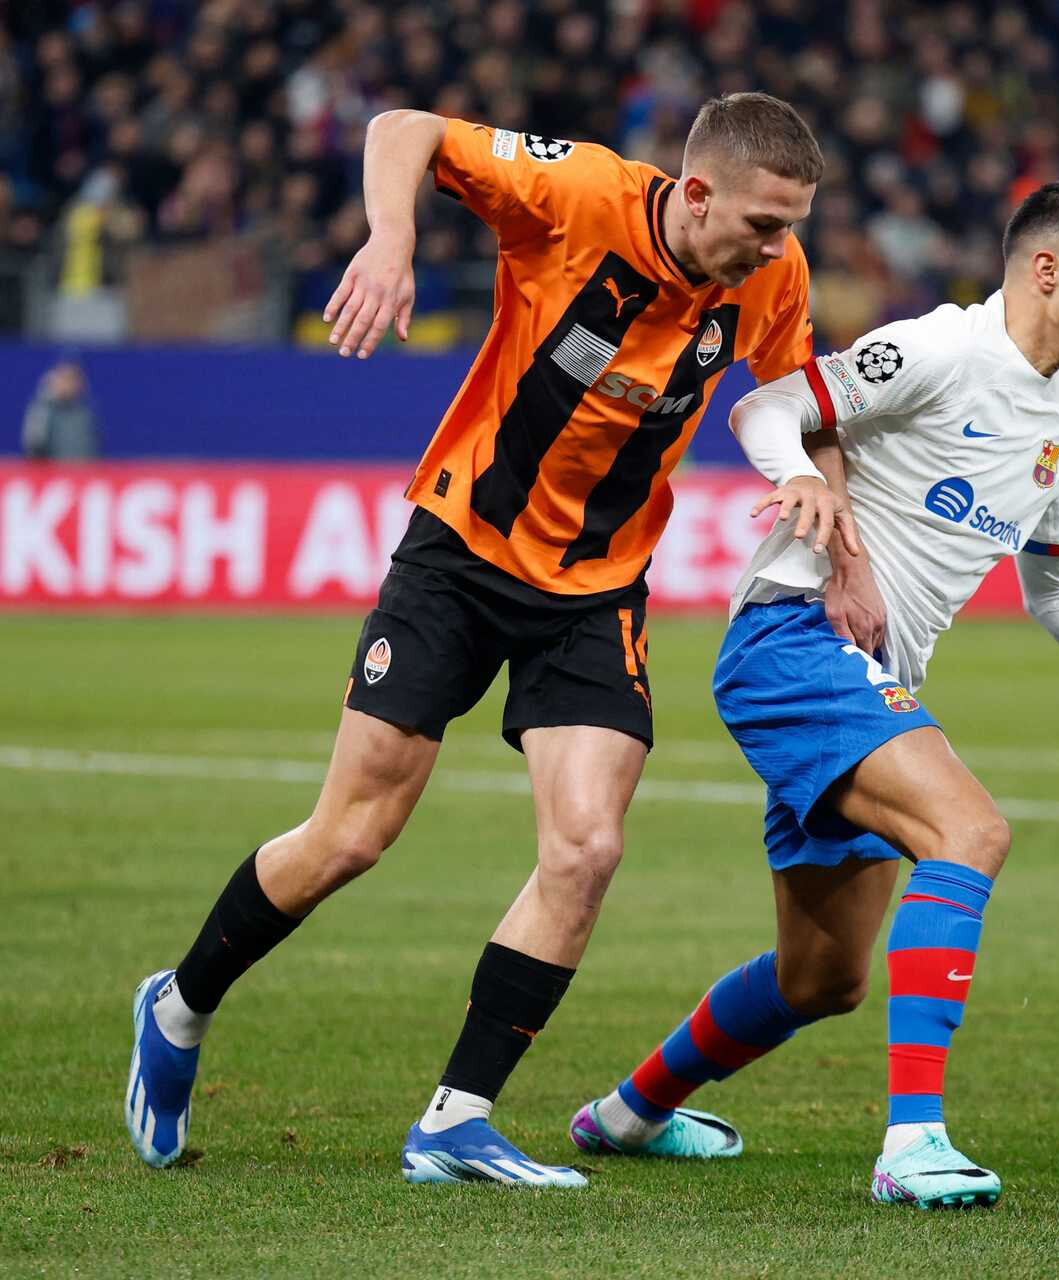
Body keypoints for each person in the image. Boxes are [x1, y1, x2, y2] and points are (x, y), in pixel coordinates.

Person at [123, 93, 852, 1187]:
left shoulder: (770, 277)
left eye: (792, 225)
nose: (778, 247)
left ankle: (455, 1119)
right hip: (461, 553)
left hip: (596, 592)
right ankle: (178, 1004)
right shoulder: (577, 195)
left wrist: (831, 510)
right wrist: (392, 237)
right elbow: (401, 128)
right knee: (352, 834)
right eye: (762, 223)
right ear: (696, 193)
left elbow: (803, 404)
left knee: (587, 846)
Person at [567, 180, 1059, 1208]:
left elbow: (1053, 588)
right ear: (1048, 270)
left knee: (820, 976)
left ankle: (626, 1114)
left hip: (866, 677)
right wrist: (810, 483)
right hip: (794, 635)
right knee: (970, 830)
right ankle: (912, 1143)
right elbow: (767, 406)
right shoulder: (939, 349)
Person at [20, 360, 98, 460]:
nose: (70, 385)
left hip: (81, 472)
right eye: (65, 379)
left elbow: (91, 447)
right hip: (52, 473)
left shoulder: (85, 413)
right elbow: (34, 445)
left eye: (74, 380)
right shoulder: (42, 410)